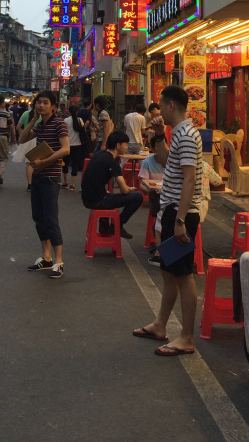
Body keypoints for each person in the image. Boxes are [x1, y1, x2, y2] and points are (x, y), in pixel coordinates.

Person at [133, 85, 202, 356]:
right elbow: (164, 160)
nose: (158, 110)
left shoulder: (186, 135)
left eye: (161, 105)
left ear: (171, 105)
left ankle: (186, 337)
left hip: (179, 211)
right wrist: (159, 135)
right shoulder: (179, 133)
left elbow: (189, 179)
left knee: (183, 275)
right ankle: (161, 325)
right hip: (170, 209)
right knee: (169, 271)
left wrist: (181, 219)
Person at [18, 91, 70, 279]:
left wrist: (44, 160)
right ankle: (46, 258)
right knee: (38, 218)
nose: (41, 106)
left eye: (45, 103)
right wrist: (33, 120)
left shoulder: (59, 124)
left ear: (54, 106)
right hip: (38, 177)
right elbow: (22, 139)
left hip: (50, 178)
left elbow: (65, 149)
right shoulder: (40, 126)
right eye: (38, 103)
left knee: (51, 219)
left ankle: (58, 261)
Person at [82, 130, 143, 238]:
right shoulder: (111, 162)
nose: (127, 147)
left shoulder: (99, 154)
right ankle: (117, 225)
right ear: (118, 145)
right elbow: (124, 189)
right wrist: (130, 189)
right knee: (138, 196)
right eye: (125, 144)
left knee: (110, 194)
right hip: (98, 200)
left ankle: (110, 227)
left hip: (87, 198)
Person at [62, 105, 85, 191]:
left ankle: (65, 182)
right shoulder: (80, 120)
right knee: (75, 164)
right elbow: (83, 131)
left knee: (65, 163)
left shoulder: (66, 120)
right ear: (77, 111)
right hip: (77, 145)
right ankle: (72, 184)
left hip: (67, 145)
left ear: (69, 111)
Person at [17, 97, 38, 191]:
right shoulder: (43, 115)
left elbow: (18, 127)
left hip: (28, 141)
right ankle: (38, 183)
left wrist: (24, 135)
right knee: (40, 162)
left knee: (29, 164)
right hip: (40, 141)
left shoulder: (26, 113)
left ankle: (30, 184)